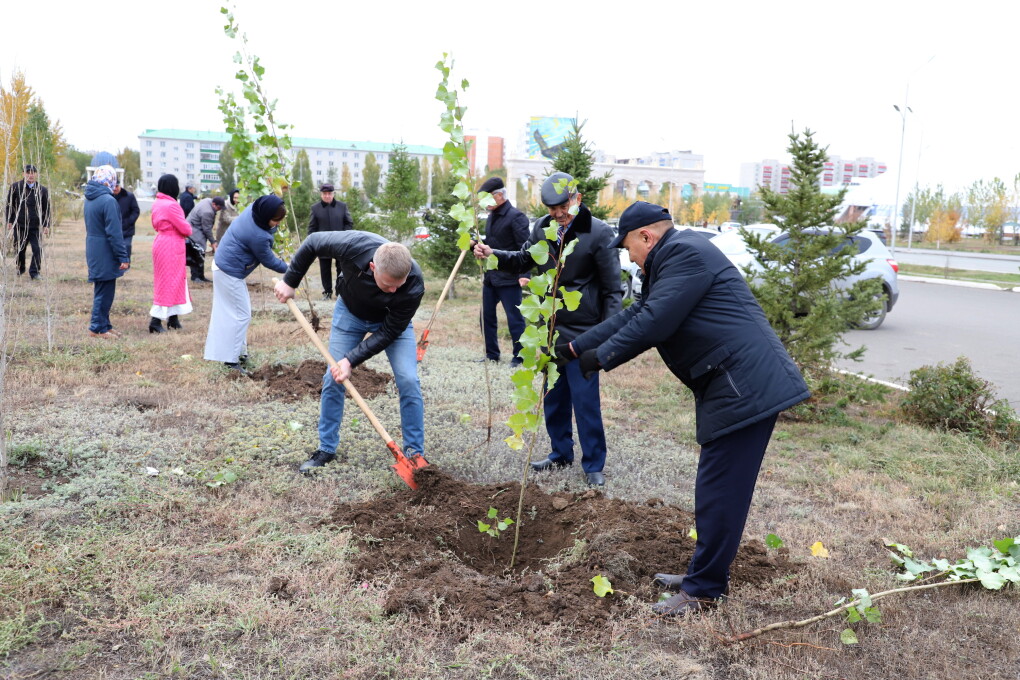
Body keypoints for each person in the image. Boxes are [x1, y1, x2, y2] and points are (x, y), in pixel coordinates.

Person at [560, 201, 810, 617]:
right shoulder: (675, 259)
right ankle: (703, 575)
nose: (628, 258)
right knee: (715, 490)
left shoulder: (686, 253)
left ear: (647, 237)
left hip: (746, 388)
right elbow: (638, 311)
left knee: (721, 492)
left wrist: (599, 359)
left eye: (628, 248)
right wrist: (575, 347)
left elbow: (656, 320)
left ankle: (704, 590)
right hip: (733, 385)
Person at [472, 172, 621, 486]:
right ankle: (560, 452)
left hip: (585, 333)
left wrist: (607, 337)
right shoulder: (541, 227)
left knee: (585, 401)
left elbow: (612, 291)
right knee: (554, 396)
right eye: (551, 208)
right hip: (549, 329)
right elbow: (525, 259)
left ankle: (593, 464)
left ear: (575, 199)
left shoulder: (599, 233)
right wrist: (493, 254)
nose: (557, 214)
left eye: (562, 207)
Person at [273, 232, 425, 473]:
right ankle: (326, 449)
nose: (394, 290)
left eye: (399, 284)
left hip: (391, 323)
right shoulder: (353, 246)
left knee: (408, 380)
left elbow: (389, 332)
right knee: (332, 379)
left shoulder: (414, 284)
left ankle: (415, 454)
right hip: (351, 313)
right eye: (387, 284)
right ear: (373, 266)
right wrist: (290, 281)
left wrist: (351, 360)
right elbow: (312, 243)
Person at [204, 194, 288, 372]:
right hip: (229, 272)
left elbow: (269, 230)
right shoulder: (257, 235)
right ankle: (231, 361)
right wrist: (290, 268)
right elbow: (270, 261)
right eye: (275, 220)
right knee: (241, 315)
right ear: (266, 217)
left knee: (237, 314)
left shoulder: (254, 210)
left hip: (224, 266)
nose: (277, 224)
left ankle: (239, 354)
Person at [477, 177, 530, 366]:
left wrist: (525, 274)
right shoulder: (492, 216)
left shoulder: (516, 217)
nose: (484, 203)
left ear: (499, 195)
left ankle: (520, 356)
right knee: (486, 317)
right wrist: (476, 246)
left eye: (487, 198)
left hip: (510, 278)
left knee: (515, 319)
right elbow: (493, 245)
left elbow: (525, 249)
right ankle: (492, 355)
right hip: (491, 277)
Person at [83, 166, 130, 338]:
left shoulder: (90, 198)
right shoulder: (108, 201)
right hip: (105, 249)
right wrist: (122, 256)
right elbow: (114, 232)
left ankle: (105, 324)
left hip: (94, 247)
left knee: (103, 288)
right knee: (105, 291)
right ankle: (97, 328)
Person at [149, 174, 193, 333]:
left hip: (161, 242)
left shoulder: (157, 203)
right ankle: (155, 320)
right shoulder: (172, 205)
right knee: (170, 282)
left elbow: (155, 224)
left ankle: (173, 318)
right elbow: (186, 229)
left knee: (170, 281)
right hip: (172, 245)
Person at [306, 183, 353, 300]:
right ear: (321, 195)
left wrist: (344, 236)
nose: (327, 196)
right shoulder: (315, 208)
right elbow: (312, 228)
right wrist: (314, 243)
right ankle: (327, 292)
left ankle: (340, 292)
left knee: (341, 268)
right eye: (325, 194)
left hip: (340, 243)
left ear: (333, 194)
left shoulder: (342, 206)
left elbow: (349, 223)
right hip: (323, 245)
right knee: (325, 269)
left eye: (329, 194)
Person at [5, 164, 51, 280]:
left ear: (36, 174)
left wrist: (46, 224)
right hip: (20, 225)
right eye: (28, 172)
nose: (30, 175)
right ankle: (20, 268)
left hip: (35, 226)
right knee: (19, 249)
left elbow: (46, 209)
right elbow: (9, 205)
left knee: (37, 249)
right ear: (23, 174)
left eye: (33, 173)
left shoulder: (42, 190)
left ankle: (34, 272)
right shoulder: (16, 187)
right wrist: (9, 220)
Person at [186, 195, 225, 282]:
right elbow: (207, 229)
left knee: (199, 252)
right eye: (219, 207)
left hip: (193, 227)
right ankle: (196, 277)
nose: (219, 210)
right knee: (198, 252)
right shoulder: (207, 212)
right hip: (194, 230)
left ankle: (200, 276)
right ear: (214, 204)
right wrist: (213, 242)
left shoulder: (208, 200)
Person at [112, 181, 140, 260]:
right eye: (113, 186)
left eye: (116, 186)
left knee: (126, 247)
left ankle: (126, 264)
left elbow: (136, 211)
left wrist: (128, 221)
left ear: (120, 185)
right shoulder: (109, 197)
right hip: (113, 229)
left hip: (127, 229)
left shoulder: (129, 196)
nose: (115, 188)